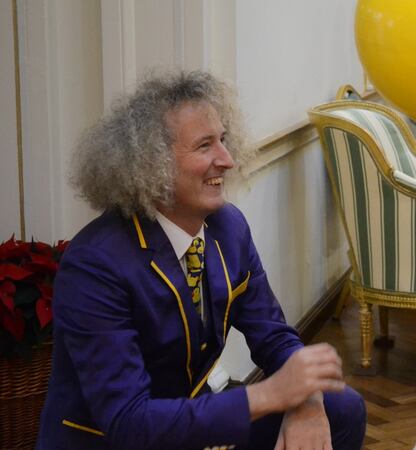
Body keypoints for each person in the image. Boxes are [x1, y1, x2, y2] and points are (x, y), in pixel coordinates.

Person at [36, 71, 366, 450]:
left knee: (341, 407)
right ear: (151, 163)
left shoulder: (228, 227)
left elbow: (274, 337)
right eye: (205, 145)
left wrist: (307, 398)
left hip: (189, 425)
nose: (227, 159)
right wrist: (270, 395)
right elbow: (129, 422)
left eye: (223, 140)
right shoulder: (94, 265)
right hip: (121, 440)